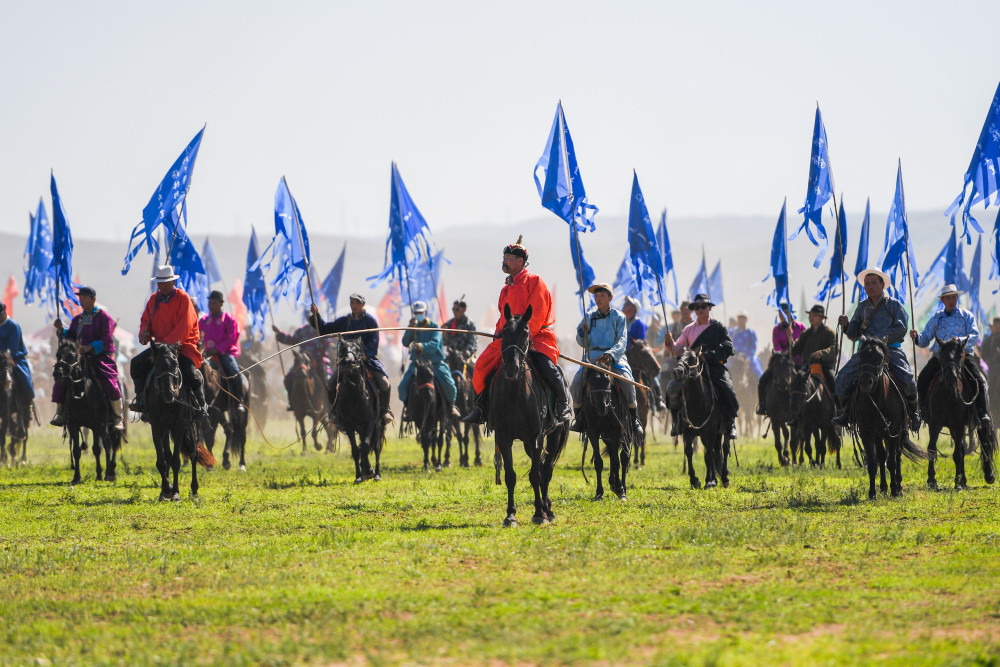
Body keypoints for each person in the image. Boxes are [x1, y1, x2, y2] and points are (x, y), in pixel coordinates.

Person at [463, 236, 571, 424]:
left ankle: (563, 404)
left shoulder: (535, 282)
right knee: (481, 366)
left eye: (508, 258)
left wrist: (525, 336)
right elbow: (502, 318)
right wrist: (499, 332)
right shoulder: (505, 289)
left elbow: (537, 313)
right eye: (504, 257)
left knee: (547, 367)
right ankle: (481, 407)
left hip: (536, 337)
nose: (504, 260)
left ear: (520, 262)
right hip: (508, 340)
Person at [832, 268, 919, 429]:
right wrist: (846, 325)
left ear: (882, 284)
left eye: (873, 283)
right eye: (867, 284)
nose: (869, 286)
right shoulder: (861, 308)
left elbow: (901, 328)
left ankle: (914, 413)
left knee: (908, 379)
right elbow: (853, 333)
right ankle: (845, 412)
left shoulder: (894, 305)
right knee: (842, 377)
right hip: (866, 353)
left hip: (890, 349)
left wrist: (881, 339)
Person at [129, 265, 207, 418]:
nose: (162, 285)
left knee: (191, 374)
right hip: (159, 348)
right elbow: (146, 322)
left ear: (173, 282)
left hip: (183, 346)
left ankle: (201, 404)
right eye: (160, 282)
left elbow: (185, 325)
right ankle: (142, 400)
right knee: (136, 365)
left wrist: (169, 344)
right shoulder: (153, 300)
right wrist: (144, 334)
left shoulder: (183, 298)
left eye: (165, 282)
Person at [910, 284, 990, 426]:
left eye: (953, 297)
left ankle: (982, 413)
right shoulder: (937, 318)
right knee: (922, 378)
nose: (951, 301)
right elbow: (925, 338)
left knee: (980, 381)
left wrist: (959, 340)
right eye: (948, 298)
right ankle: (922, 410)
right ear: (942, 300)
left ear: (957, 298)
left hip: (962, 356)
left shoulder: (967, 316)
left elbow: (975, 335)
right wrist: (916, 337)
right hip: (940, 357)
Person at [663, 293, 739, 440]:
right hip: (692, 368)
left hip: (715, 367)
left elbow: (728, 347)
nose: (700, 309)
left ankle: (729, 423)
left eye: (703, 306)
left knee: (727, 388)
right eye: (697, 307)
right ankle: (677, 422)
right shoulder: (688, 329)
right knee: (672, 387)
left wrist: (707, 355)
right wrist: (669, 343)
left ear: (709, 308)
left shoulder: (718, 327)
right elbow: (676, 350)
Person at [309, 294, 394, 424]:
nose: (354, 306)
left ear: (362, 305)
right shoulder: (344, 321)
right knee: (330, 384)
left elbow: (374, 340)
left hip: (366, 359)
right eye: (352, 303)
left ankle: (385, 411)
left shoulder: (370, 321)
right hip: (347, 360)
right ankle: (333, 413)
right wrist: (316, 316)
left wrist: (366, 353)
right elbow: (325, 329)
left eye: (356, 303)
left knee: (384, 383)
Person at [569, 284, 643, 434]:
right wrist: (582, 333)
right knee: (576, 384)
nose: (599, 299)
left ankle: (634, 420)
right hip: (592, 358)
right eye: (596, 296)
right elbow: (581, 342)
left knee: (628, 383)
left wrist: (610, 354)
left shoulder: (619, 317)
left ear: (610, 298)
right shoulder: (588, 316)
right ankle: (579, 420)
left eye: (602, 295)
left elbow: (622, 341)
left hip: (615, 358)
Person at [50, 286, 125, 430]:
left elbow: (107, 338)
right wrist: (61, 330)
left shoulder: (104, 317)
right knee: (63, 376)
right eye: (80, 297)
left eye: (84, 297)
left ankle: (117, 416)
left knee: (109, 379)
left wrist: (90, 347)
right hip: (79, 357)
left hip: (100, 356)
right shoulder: (78, 319)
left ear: (93, 299)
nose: (81, 300)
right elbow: (70, 337)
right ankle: (60, 412)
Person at [399, 301, 460, 418]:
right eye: (416, 313)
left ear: (425, 312)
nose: (418, 315)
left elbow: (434, 345)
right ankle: (408, 408)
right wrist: (409, 329)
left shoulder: (435, 327)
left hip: (435, 364)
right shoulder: (413, 327)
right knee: (403, 385)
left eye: (420, 312)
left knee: (449, 384)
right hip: (417, 365)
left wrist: (421, 346)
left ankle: (451, 406)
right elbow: (405, 342)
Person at [785, 305, 837, 426]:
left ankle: (838, 412)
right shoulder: (805, 334)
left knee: (834, 384)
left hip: (824, 367)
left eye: (814, 315)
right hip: (807, 367)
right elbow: (794, 351)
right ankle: (795, 415)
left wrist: (822, 353)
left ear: (822, 318)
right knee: (795, 385)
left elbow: (835, 350)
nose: (811, 317)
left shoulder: (830, 333)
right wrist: (790, 338)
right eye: (810, 315)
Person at [272, 309, 333, 410]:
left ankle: (330, 405)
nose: (311, 319)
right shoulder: (301, 331)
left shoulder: (322, 329)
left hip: (320, 361)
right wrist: (279, 334)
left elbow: (327, 345)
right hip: (304, 361)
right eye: (309, 317)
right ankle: (293, 403)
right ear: (306, 318)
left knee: (328, 379)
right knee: (288, 379)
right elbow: (292, 340)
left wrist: (316, 358)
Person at [198, 290, 245, 412]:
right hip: (205, 355)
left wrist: (217, 349)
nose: (211, 305)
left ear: (221, 304)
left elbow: (232, 337)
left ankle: (238, 400)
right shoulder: (202, 321)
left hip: (224, 354)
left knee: (234, 372)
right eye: (210, 303)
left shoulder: (229, 319)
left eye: (214, 303)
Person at [755, 304, 806, 417]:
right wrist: (786, 352)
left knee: (805, 382)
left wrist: (791, 339)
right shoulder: (777, 329)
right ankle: (763, 405)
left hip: (798, 362)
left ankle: (807, 407)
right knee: (763, 380)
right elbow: (777, 347)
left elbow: (804, 344)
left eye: (785, 313)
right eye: (780, 314)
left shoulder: (801, 327)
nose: (782, 316)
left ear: (790, 313)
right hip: (782, 363)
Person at [622, 295, 666, 410]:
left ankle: (658, 399)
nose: (624, 306)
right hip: (620, 357)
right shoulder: (620, 322)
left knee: (648, 374)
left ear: (633, 309)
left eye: (627, 304)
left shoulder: (639, 324)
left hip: (634, 357)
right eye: (625, 304)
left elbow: (640, 342)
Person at [0, 302, 35, 408]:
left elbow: (13, 348)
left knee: (22, 377)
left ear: (4, 313)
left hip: (15, 358)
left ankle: (27, 402)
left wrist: (4, 354)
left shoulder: (13, 326)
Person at [442, 295, 478, 376]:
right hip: (452, 356)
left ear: (464, 309)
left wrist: (466, 353)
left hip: (467, 357)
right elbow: (445, 343)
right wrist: (444, 334)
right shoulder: (449, 324)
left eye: (457, 309)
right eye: (453, 309)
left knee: (476, 374)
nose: (454, 312)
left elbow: (473, 343)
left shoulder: (470, 324)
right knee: (439, 371)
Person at [729, 311, 763, 378]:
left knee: (757, 370)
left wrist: (748, 357)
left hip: (747, 357)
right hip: (733, 357)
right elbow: (727, 344)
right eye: (739, 318)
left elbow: (753, 346)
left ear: (746, 320)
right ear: (737, 320)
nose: (741, 320)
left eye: (743, 318)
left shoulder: (751, 332)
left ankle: (760, 385)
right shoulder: (731, 332)